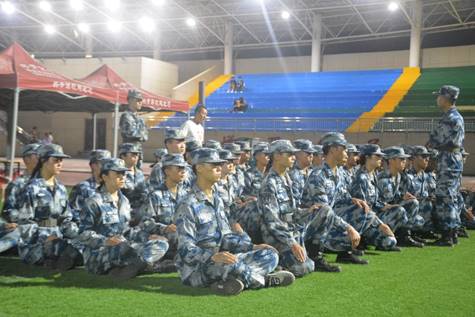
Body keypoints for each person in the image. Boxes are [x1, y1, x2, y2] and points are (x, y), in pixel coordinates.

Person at [174, 147, 295, 295]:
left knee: (269, 254)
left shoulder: (216, 199)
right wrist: (212, 256)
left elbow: (226, 237)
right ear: (199, 168)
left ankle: (229, 282)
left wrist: (252, 247)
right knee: (230, 265)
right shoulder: (188, 204)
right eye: (213, 165)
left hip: (224, 257)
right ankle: (264, 281)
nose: (219, 168)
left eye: (220, 164)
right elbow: (185, 249)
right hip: (198, 268)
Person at [260, 140, 360, 275]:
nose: (293, 157)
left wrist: (307, 211)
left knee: (324, 210)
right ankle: (278, 263)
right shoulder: (269, 183)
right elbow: (272, 222)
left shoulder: (286, 178)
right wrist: (292, 243)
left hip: (293, 228)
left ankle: (315, 254)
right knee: (303, 268)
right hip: (277, 237)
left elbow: (292, 212)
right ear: (277, 156)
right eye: (289, 154)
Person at [302, 133, 395, 263]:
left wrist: (353, 200)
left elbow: (342, 198)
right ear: (333, 149)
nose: (347, 153)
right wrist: (349, 228)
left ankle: (345, 252)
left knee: (362, 208)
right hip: (310, 227)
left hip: (330, 221)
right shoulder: (318, 175)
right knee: (326, 210)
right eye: (344, 149)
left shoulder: (339, 173)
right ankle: (315, 253)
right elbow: (323, 211)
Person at [79, 158, 169, 279]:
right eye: (117, 174)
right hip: (100, 253)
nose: (122, 177)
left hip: (124, 247)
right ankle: (145, 265)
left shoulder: (124, 201)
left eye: (123, 173)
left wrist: (147, 237)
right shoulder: (94, 202)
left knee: (161, 243)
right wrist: (105, 241)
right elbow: (83, 234)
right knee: (124, 248)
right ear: (105, 176)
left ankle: (134, 266)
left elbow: (126, 231)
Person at [11, 144, 81, 271]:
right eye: (56, 160)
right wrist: (45, 237)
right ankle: (57, 259)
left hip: (58, 237)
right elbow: (25, 224)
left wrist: (79, 234)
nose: (60, 163)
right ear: (43, 160)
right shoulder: (32, 188)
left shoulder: (60, 188)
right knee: (58, 247)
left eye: (61, 160)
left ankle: (59, 260)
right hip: (34, 245)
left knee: (83, 247)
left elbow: (66, 219)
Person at [426, 85, 465, 246]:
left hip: (448, 159)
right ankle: (453, 231)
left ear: (446, 98)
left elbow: (437, 140)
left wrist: (430, 144)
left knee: (446, 196)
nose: (437, 99)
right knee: (452, 196)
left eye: (439, 96)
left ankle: (447, 234)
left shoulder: (451, 118)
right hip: (451, 159)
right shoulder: (453, 116)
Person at [137, 154, 189, 272]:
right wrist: (164, 228)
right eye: (178, 168)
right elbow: (145, 222)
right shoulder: (156, 195)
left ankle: (167, 264)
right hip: (164, 238)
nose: (182, 171)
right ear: (167, 171)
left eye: (183, 168)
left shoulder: (187, 195)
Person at [349, 144, 402, 251]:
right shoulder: (361, 177)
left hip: (373, 216)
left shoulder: (372, 174)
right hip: (364, 220)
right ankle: (362, 239)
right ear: (367, 157)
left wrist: (384, 206)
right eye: (377, 156)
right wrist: (381, 225)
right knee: (389, 242)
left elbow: (374, 201)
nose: (380, 159)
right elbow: (362, 208)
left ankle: (379, 237)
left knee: (398, 210)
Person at [378, 146, 425, 247]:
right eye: (401, 159)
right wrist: (394, 202)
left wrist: (402, 197)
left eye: (405, 159)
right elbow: (380, 202)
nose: (405, 161)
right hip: (378, 215)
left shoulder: (397, 176)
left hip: (388, 211)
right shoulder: (383, 178)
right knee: (399, 210)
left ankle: (404, 236)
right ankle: (383, 237)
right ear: (391, 160)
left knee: (413, 203)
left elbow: (394, 197)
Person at [0, 143, 41, 253]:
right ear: (26, 159)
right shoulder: (17, 184)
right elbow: (8, 211)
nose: (41, 159)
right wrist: (25, 222)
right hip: (21, 230)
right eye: (37, 155)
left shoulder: (51, 184)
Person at [69, 150, 112, 223]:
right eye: (103, 163)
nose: (107, 167)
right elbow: (74, 214)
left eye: (109, 164)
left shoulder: (113, 187)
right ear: (93, 165)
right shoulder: (83, 188)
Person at [119, 90, 148, 168]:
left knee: (138, 173)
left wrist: (140, 133)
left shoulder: (140, 118)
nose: (140, 102)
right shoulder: (126, 116)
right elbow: (130, 133)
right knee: (127, 172)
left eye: (141, 100)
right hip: (128, 151)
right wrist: (141, 133)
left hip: (138, 150)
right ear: (130, 100)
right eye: (138, 100)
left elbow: (145, 136)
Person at [118, 143, 147, 217]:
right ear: (123, 156)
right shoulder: (118, 174)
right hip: (123, 212)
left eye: (137, 155)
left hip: (139, 212)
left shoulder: (139, 173)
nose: (136, 157)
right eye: (133, 154)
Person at [288, 139, 315, 204]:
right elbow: (296, 201)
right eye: (308, 153)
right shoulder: (292, 175)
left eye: (312, 153)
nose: (311, 156)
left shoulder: (313, 172)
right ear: (298, 154)